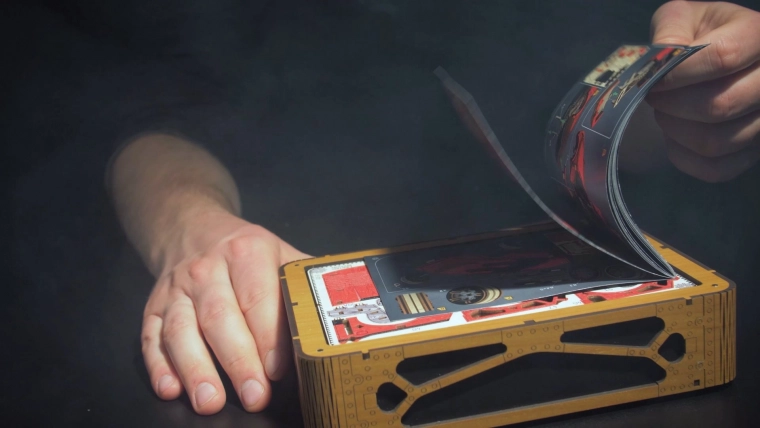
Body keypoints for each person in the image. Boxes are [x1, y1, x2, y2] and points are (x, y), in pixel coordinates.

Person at [106, 0, 760, 415]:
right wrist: (188, 223)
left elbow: (578, 99)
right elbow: (142, 104)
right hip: (284, 267)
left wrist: (698, 97)